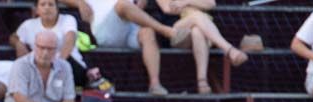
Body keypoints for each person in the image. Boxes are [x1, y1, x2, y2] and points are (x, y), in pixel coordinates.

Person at [67, 0, 246, 95]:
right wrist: (79, 3)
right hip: (106, 26)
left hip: (130, 24)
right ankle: (164, 30)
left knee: (147, 33)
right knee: (122, 5)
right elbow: (168, 8)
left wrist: (141, 5)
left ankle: (155, 84)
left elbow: (211, 3)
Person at [12, 0, 86, 90]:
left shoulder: (68, 19)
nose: (47, 8)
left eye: (51, 4)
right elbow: (14, 37)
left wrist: (55, 66)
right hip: (40, 69)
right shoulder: (28, 25)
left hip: (68, 64)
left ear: (57, 8)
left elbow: (69, 41)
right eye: (43, 5)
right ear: (36, 9)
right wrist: (18, 44)